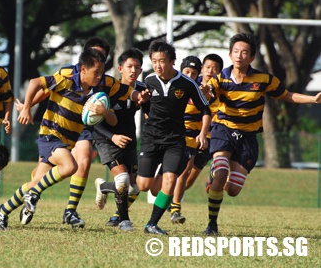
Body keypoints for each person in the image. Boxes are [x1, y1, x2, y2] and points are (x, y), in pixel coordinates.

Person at [17, 37, 147, 228]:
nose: (99, 58)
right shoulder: (69, 73)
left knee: (83, 160)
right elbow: (46, 89)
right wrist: (27, 106)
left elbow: (127, 91)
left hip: (87, 124)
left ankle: (70, 211)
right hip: (61, 124)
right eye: (95, 54)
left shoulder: (103, 78)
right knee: (39, 175)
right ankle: (29, 197)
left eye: (102, 56)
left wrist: (139, 96)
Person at [204, 32, 321, 235]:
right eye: (236, 52)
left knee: (232, 190)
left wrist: (313, 99)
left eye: (245, 52)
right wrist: (205, 92)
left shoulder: (264, 79)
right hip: (223, 129)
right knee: (221, 172)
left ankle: (216, 177)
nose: (240, 55)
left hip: (248, 138)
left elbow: (287, 95)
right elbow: (207, 94)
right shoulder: (219, 79)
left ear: (252, 57)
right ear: (230, 55)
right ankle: (212, 225)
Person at [0, 48, 116, 231]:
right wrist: (26, 108)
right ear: (83, 69)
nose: (99, 76)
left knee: (36, 181)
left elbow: (113, 120)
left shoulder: (97, 94)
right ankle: (33, 194)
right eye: (95, 72)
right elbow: (35, 82)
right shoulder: (66, 78)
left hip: (67, 141)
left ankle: (2, 211)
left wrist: (104, 112)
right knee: (71, 166)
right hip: (50, 135)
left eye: (101, 72)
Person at [137, 40, 211, 235]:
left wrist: (203, 133)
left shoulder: (187, 83)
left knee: (170, 180)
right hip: (151, 138)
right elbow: (146, 109)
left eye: (162, 61)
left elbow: (205, 109)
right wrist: (144, 103)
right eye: (154, 61)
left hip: (175, 140)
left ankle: (151, 224)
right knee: (146, 187)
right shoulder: (149, 80)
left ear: (172, 61)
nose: (158, 65)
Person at [93, 48, 150, 231]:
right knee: (123, 179)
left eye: (137, 67)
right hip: (107, 138)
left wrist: (147, 103)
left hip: (129, 139)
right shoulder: (107, 90)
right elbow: (93, 122)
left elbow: (150, 113)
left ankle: (103, 187)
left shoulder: (142, 90)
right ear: (120, 68)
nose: (133, 71)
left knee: (134, 188)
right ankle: (124, 220)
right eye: (129, 66)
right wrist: (113, 136)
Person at [166, 54, 223, 224]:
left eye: (215, 68)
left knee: (189, 180)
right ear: (202, 69)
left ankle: (174, 203)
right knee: (184, 171)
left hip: (207, 137)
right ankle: (175, 207)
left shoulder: (219, 88)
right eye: (208, 67)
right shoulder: (188, 86)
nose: (210, 71)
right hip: (187, 134)